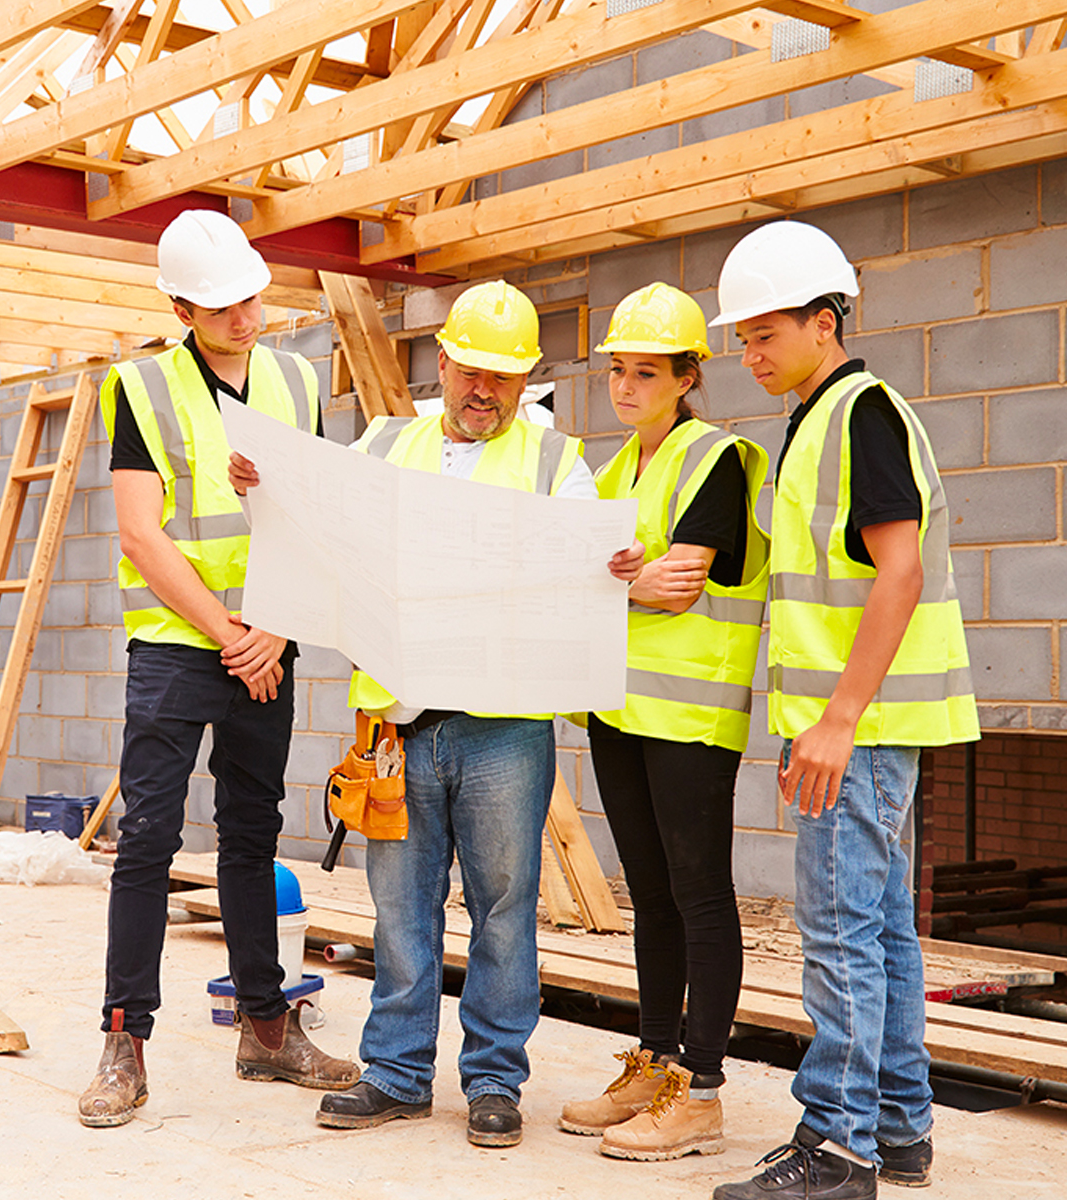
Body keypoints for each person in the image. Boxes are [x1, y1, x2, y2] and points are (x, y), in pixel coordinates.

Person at [237, 280, 600, 1147]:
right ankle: (397, 1073)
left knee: (504, 905)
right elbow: (320, 537)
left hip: (503, 725)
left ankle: (493, 1084)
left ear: (526, 383)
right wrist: (264, 492)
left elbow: (585, 567)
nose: (486, 392)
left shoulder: (557, 465)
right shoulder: (383, 443)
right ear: (442, 363)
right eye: (472, 371)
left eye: (505, 379)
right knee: (400, 909)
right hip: (395, 725)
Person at [706, 221, 978, 1199]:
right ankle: (898, 1130)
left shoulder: (860, 413)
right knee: (877, 929)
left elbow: (898, 574)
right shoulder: (819, 416)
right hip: (854, 726)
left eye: (764, 334)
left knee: (839, 933)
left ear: (825, 324)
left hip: (852, 730)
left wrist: (836, 719)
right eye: (741, 338)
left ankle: (838, 1148)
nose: (749, 354)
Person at [78, 210, 358, 1128]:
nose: (246, 315)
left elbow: (313, 512)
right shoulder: (141, 387)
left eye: (252, 295)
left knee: (252, 834)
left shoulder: (295, 376)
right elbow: (138, 530)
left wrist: (271, 631)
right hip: (177, 643)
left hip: (265, 644)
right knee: (150, 840)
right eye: (223, 305)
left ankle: (266, 1030)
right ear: (180, 307)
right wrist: (229, 630)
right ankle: (126, 1041)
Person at [557, 283, 769, 1162]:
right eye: (617, 370)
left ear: (688, 377)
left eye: (648, 372)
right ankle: (654, 1061)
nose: (627, 386)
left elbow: (679, 584)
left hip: (690, 716)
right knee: (649, 896)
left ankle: (704, 1092)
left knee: (700, 895)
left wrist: (610, 580)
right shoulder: (615, 471)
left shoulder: (716, 458)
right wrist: (614, 579)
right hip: (620, 709)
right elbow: (584, 580)